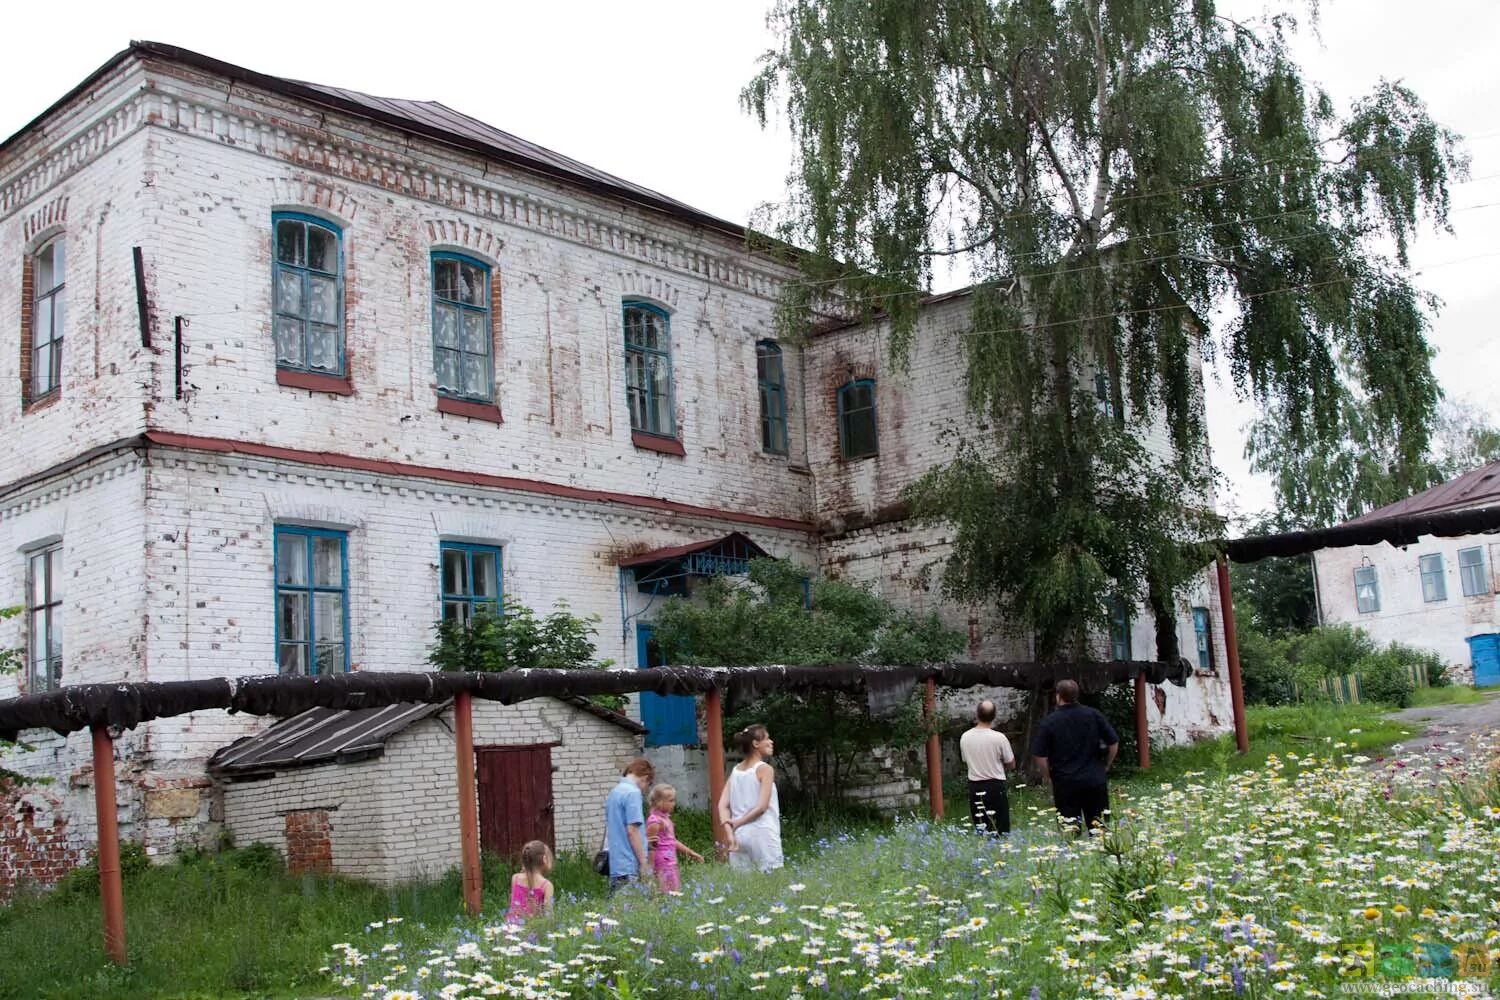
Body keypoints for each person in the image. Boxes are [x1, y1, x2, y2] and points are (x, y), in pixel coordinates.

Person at [1031, 679, 1119, 833]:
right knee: (1100, 829)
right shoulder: (1093, 715)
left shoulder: (1050, 722)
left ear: (1058, 696)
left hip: (1065, 782)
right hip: (1094, 779)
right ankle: (1103, 854)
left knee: (1069, 831)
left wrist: (1047, 776)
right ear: (1077, 695)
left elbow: (1040, 755)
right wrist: (1106, 765)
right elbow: (1113, 743)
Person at [717, 724, 783, 872]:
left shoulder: (736, 771)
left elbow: (722, 805)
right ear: (755, 743)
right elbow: (762, 807)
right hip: (763, 833)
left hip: (739, 835)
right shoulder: (765, 769)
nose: (771, 742)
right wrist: (738, 822)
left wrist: (730, 833)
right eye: (767, 738)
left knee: (745, 888)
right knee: (773, 884)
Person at [959, 699, 1016, 835]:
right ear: (994, 716)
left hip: (975, 786)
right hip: (995, 785)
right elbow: (1011, 763)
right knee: (1000, 827)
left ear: (977, 715)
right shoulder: (999, 738)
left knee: (982, 826)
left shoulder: (965, 737)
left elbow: (965, 760)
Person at [604, 757, 654, 893]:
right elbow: (632, 830)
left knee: (618, 908)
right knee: (631, 908)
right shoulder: (633, 793)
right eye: (648, 785)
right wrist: (643, 862)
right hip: (630, 863)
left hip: (616, 862)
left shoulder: (614, 792)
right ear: (645, 777)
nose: (645, 789)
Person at [646, 783, 703, 892]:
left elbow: (672, 841)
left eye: (674, 800)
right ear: (659, 802)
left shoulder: (666, 819)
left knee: (675, 891)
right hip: (661, 864)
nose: (674, 804)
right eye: (671, 801)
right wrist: (651, 868)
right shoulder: (655, 821)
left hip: (671, 861)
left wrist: (690, 853)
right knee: (664, 893)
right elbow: (650, 846)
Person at [504, 840, 554, 923]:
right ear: (544, 859)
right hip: (533, 932)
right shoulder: (546, 885)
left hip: (512, 929)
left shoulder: (515, 878)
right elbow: (549, 916)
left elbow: (512, 906)